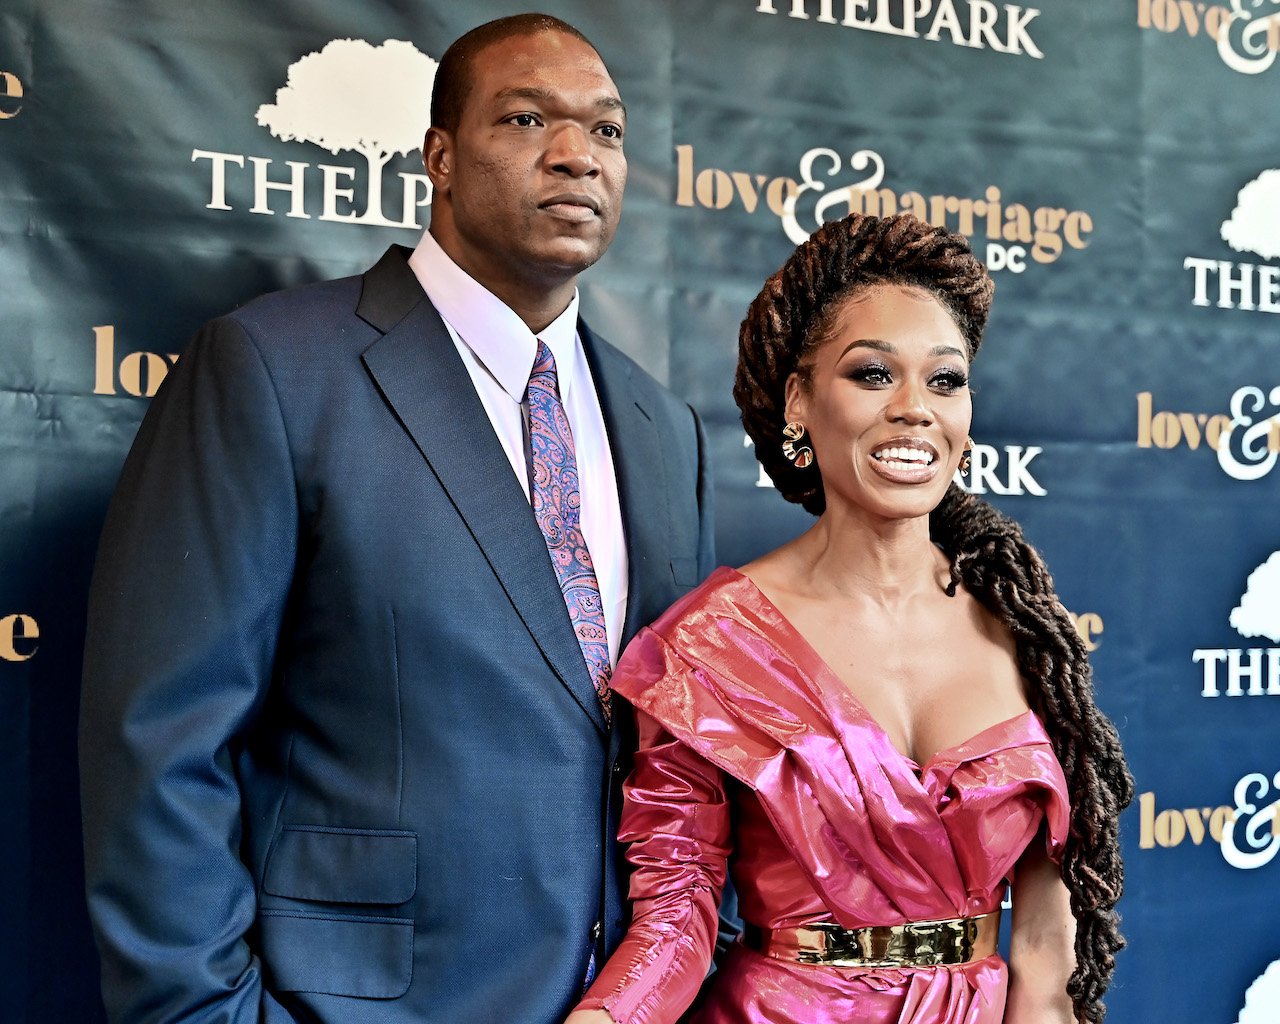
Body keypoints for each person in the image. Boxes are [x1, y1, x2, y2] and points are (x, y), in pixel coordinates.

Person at [79, 14, 713, 1024]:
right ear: (440, 159)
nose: (575, 156)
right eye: (524, 117)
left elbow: (677, 769)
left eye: (606, 130)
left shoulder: (661, 427)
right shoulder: (275, 369)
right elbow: (161, 743)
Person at [566, 213, 1132, 1024]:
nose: (914, 410)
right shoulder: (712, 646)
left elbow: (1045, 945)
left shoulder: (1027, 627)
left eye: (945, 381)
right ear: (799, 398)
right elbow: (678, 913)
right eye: (872, 374)